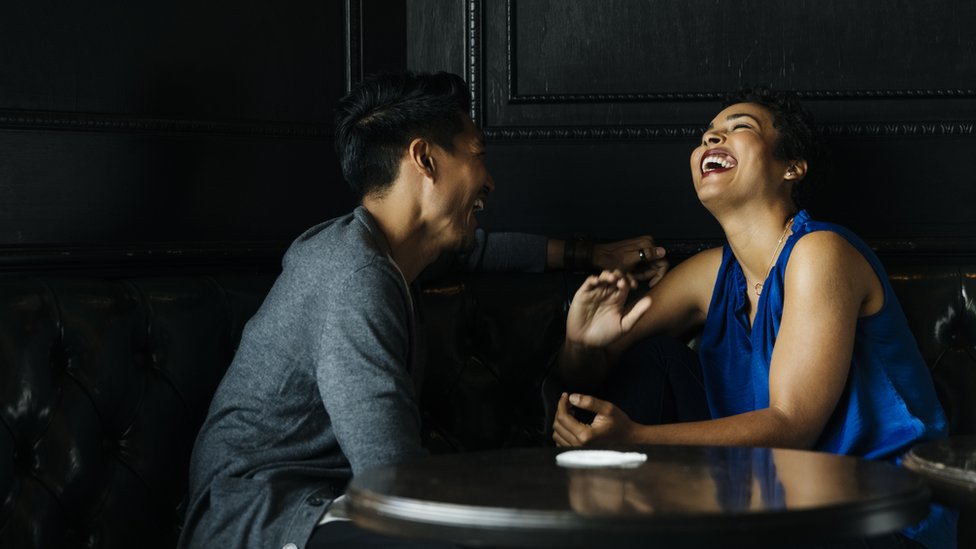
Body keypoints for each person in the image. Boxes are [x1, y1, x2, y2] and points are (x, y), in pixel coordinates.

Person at [178, 71, 666, 549]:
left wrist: (588, 255)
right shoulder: (355, 278)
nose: (490, 180)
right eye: (478, 156)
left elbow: (478, 250)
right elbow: (390, 473)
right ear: (425, 159)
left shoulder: (386, 249)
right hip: (263, 518)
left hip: (328, 503)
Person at [551, 88, 956, 548]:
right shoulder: (708, 275)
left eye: (739, 126)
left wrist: (636, 438)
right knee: (655, 358)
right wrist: (582, 345)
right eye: (706, 136)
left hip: (875, 517)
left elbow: (792, 426)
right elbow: (590, 375)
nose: (711, 139)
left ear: (791, 167)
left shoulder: (821, 253)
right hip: (768, 506)